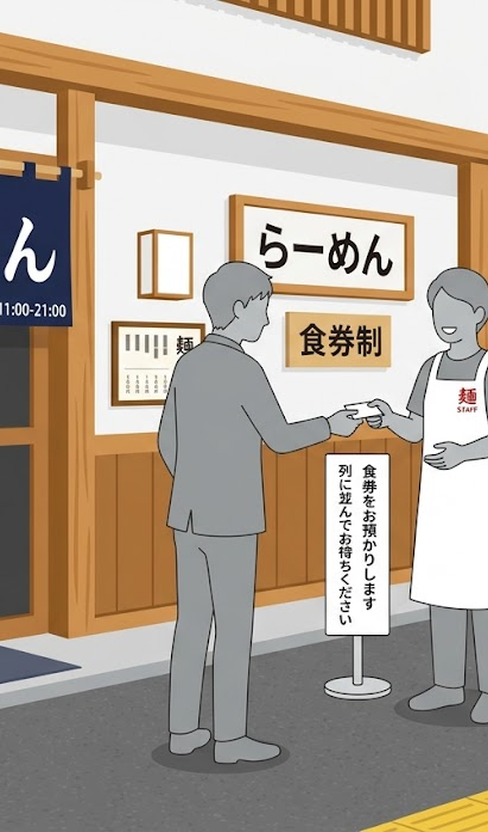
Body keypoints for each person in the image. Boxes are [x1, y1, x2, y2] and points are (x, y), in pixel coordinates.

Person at [158, 261, 360, 764]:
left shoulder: (189, 363)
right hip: (231, 520)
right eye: (263, 306)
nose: (268, 319)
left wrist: (194, 482)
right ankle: (229, 740)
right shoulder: (243, 368)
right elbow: (282, 438)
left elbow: (166, 442)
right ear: (240, 307)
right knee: (232, 629)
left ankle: (183, 731)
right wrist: (331, 424)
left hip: (186, 515)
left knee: (191, 625)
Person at [366, 267, 488, 725]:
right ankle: (447, 685)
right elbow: (418, 428)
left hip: (481, 496)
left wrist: (463, 454)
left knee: (487, 593)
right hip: (439, 496)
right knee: (443, 590)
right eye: (438, 311)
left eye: (455, 310)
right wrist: (389, 418)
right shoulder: (430, 367)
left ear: (478, 314)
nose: (445, 319)